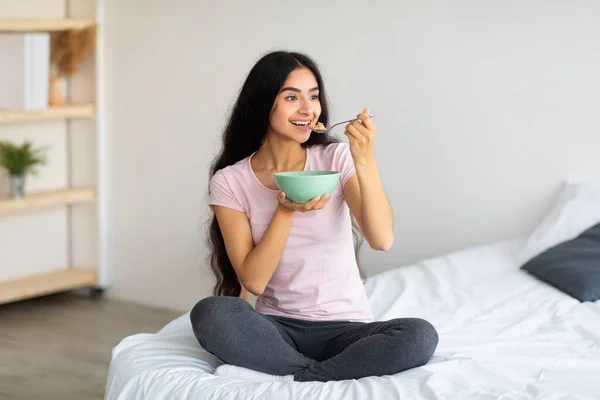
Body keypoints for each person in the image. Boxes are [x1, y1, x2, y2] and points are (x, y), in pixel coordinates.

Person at [190, 50, 438, 383]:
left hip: (347, 329)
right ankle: (315, 373)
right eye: (292, 97)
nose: (308, 110)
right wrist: (284, 210)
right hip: (278, 329)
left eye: (314, 96)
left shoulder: (335, 157)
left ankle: (299, 375)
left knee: (419, 335)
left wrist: (364, 159)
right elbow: (254, 281)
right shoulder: (231, 181)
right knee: (211, 313)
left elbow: (382, 239)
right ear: (264, 103)